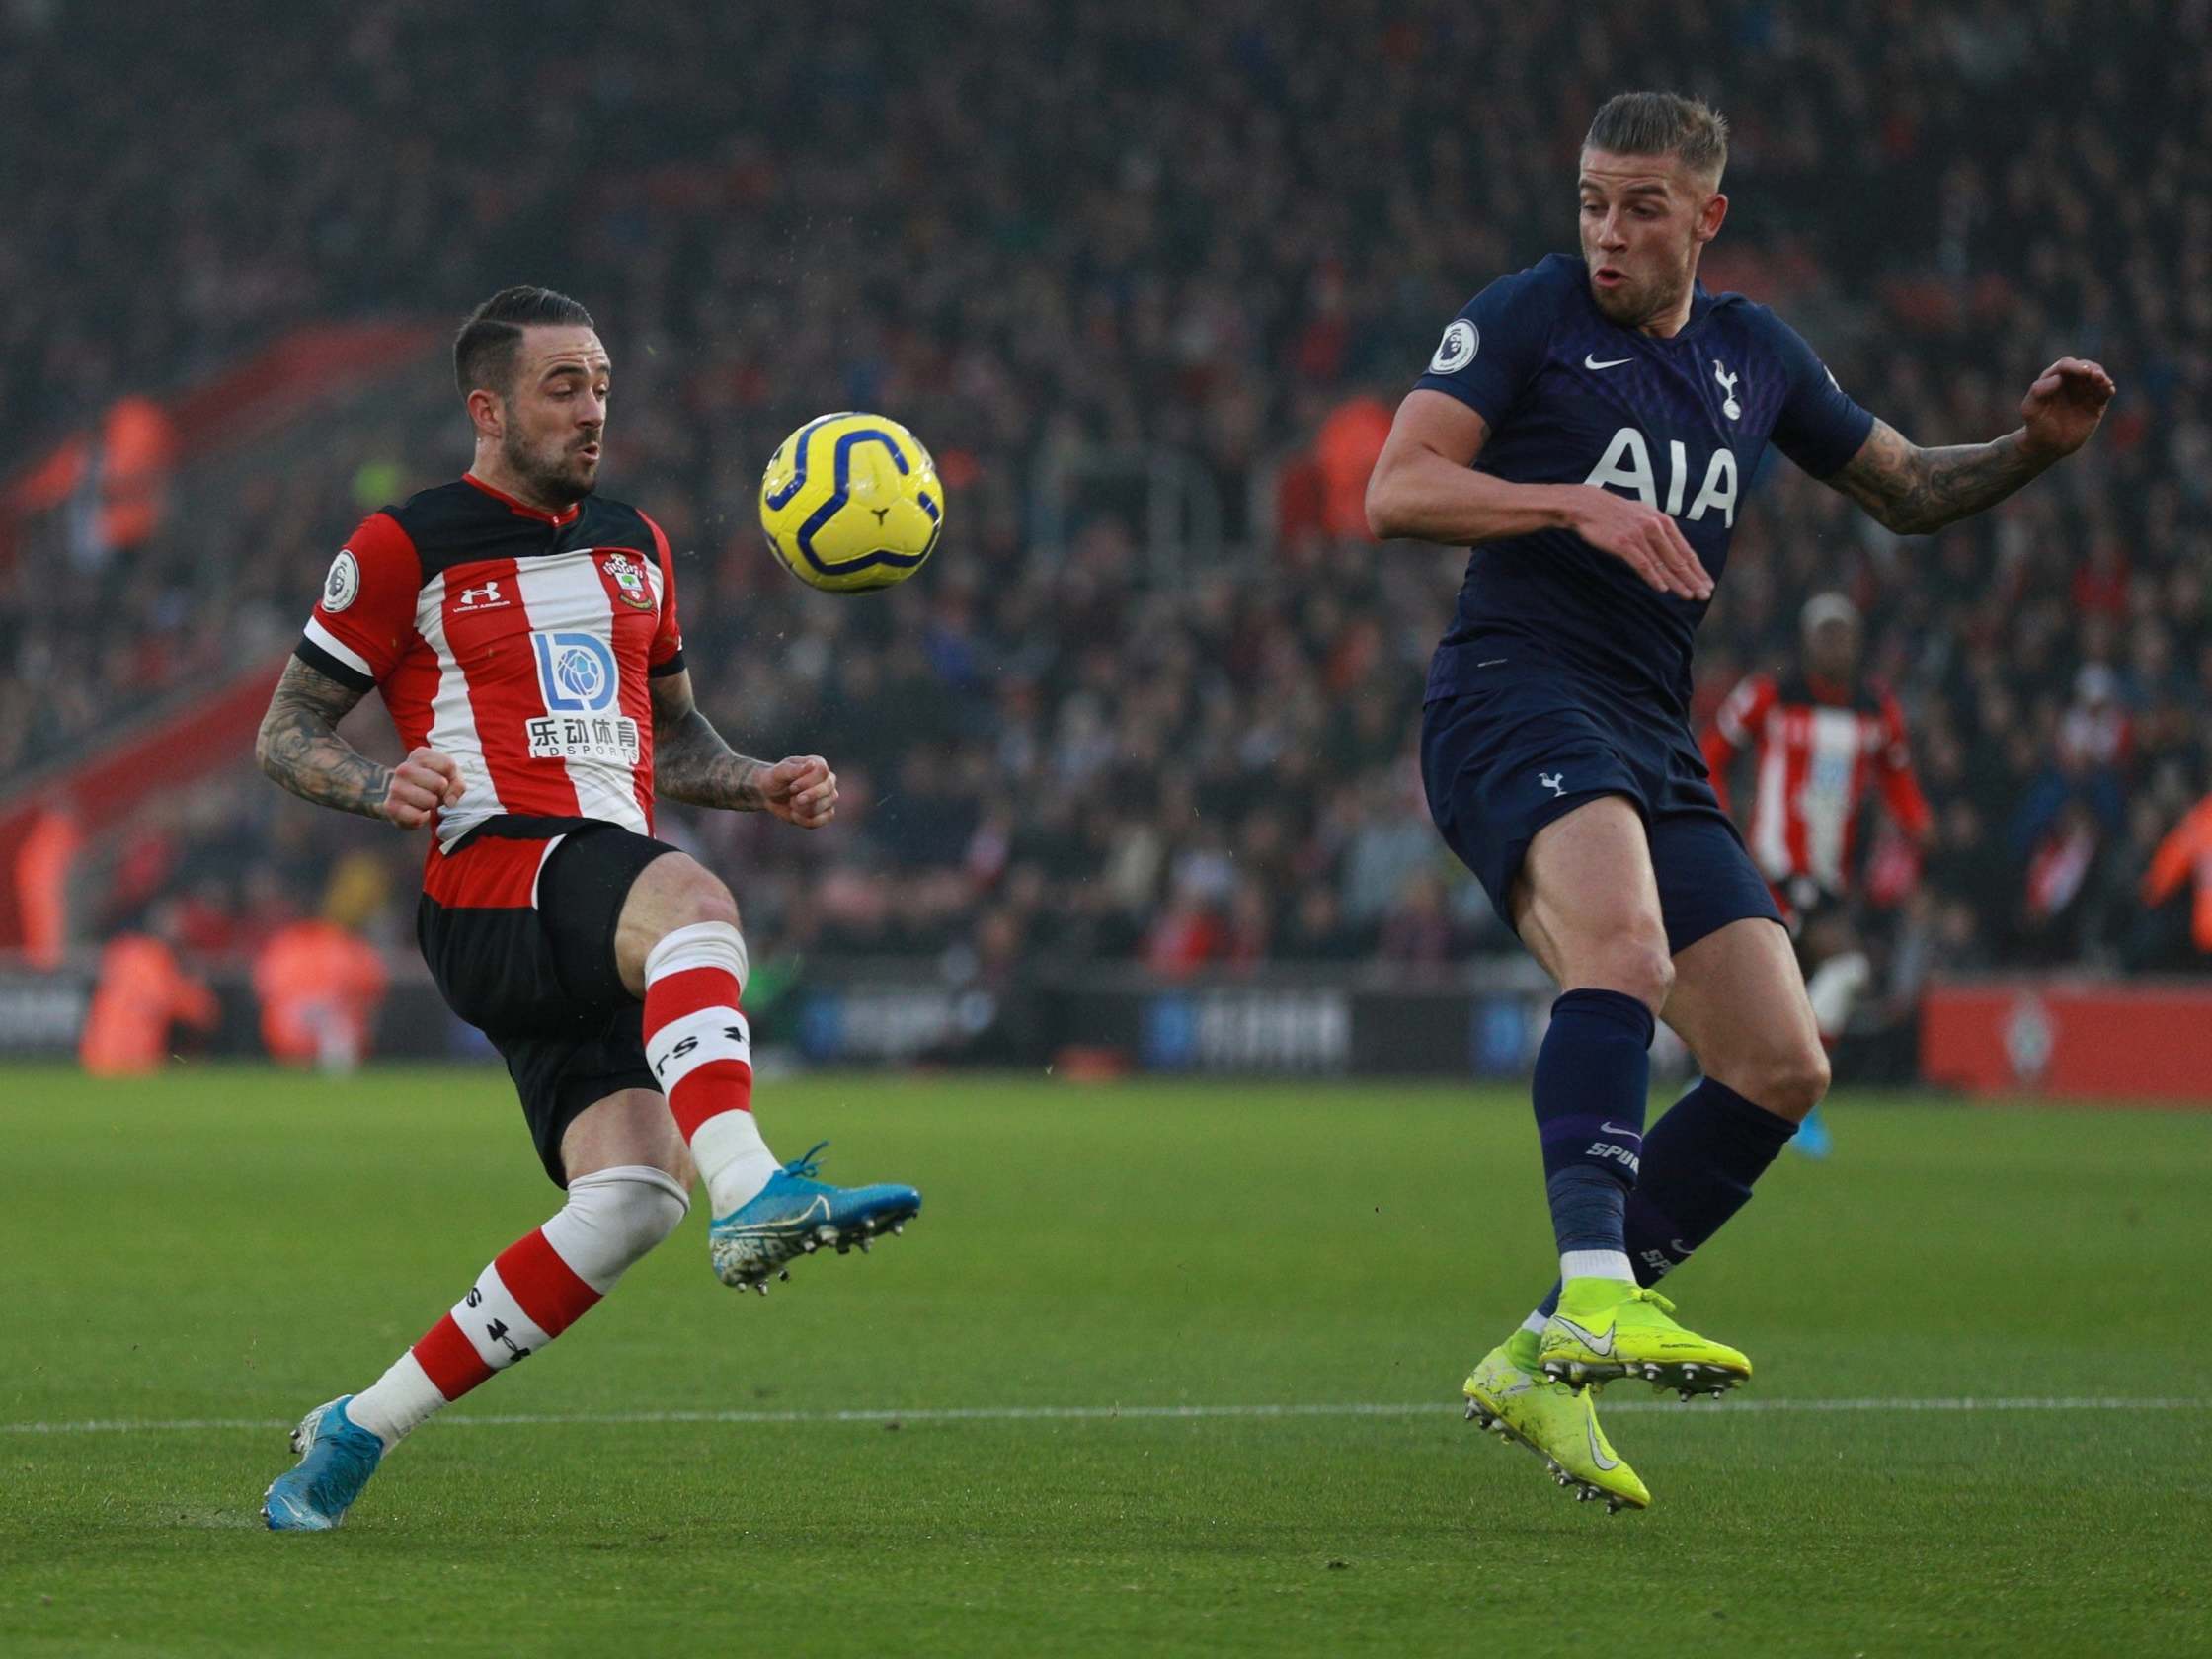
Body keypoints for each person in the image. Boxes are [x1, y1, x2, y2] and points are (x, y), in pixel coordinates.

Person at [1365, 92, 2112, 1511]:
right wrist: (1570, 503)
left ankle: (1538, 1356)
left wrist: (2030, 454)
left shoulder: (1752, 354)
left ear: (1708, 217)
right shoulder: (1529, 315)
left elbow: (1901, 489)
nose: (1607, 229)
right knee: (1625, 960)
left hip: (1654, 733)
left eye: (1642, 204)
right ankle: (1596, 1290)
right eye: (1591, 197)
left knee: (1780, 1062)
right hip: (1515, 695)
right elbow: (1396, 489)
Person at [252, 286, 920, 1531]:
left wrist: (756, 778)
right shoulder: (407, 543)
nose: (593, 408)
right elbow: (285, 730)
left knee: (626, 1201)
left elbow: (673, 738)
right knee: (694, 899)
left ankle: (354, 1431)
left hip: (591, 889)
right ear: (487, 406)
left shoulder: (634, 542)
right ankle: (758, 1189)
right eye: (565, 386)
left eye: (603, 383)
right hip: (488, 872)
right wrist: (372, 780)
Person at [1702, 592, 1935, 1154]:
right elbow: (1711, 756)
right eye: (1826, 634)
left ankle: (1772, 1095)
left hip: (1830, 881)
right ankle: (1761, 1095)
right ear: (1807, 642)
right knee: (1798, 979)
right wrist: (1721, 830)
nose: (1837, 644)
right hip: (1769, 871)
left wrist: (1919, 826)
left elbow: (1899, 783)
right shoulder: (1770, 696)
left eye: (1846, 634)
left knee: (1833, 977)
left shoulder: (1876, 710)